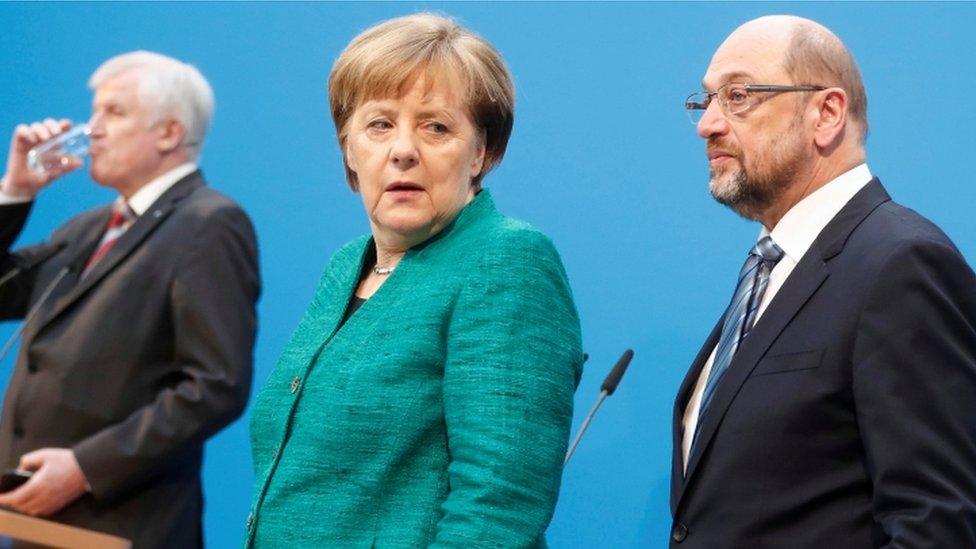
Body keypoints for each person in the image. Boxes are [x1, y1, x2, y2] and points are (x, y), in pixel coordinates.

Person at [246, 13, 583, 548]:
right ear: (349, 149)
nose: (403, 149)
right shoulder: (343, 268)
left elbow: (497, 508)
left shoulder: (507, 260)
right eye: (380, 125)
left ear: (482, 153)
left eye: (436, 127)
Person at [671, 15, 976, 548]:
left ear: (827, 113)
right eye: (707, 100)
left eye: (738, 96)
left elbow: (938, 525)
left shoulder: (901, 264)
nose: (708, 124)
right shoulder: (771, 268)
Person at [0, 51, 259, 547]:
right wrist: (15, 190)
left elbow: (215, 385)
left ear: (168, 132)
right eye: (93, 113)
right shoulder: (86, 228)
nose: (91, 130)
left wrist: (85, 467)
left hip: (121, 527)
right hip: (33, 523)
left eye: (113, 114)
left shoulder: (209, 224)